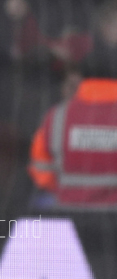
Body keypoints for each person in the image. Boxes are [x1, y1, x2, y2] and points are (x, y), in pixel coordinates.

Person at [28, 74, 117, 208]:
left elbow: (40, 167)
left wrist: (65, 189)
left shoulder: (57, 115)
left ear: (82, 77)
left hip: (70, 210)